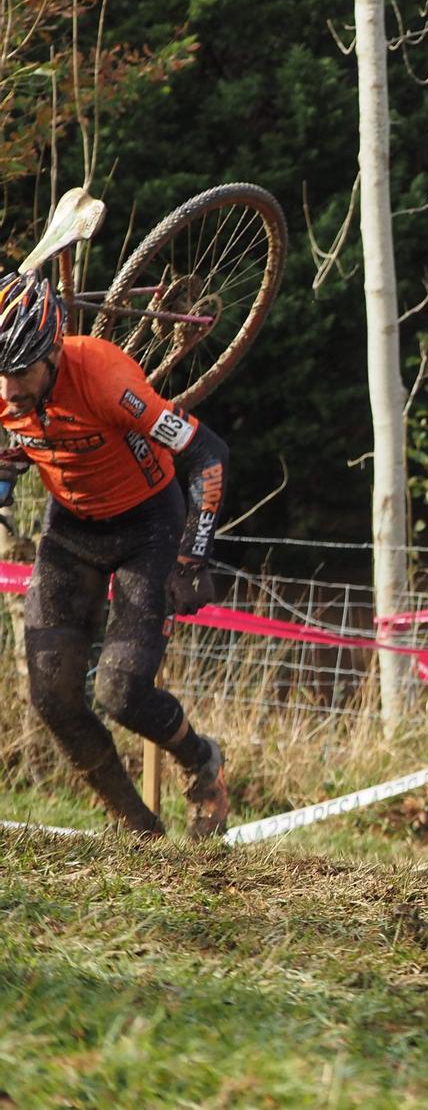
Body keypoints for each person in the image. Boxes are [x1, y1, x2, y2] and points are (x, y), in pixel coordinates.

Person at [0, 273, 231, 838]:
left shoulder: (106, 378)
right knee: (51, 694)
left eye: (23, 373)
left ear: (54, 352)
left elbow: (207, 452)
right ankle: (138, 830)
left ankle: (201, 762)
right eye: (2, 375)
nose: (10, 391)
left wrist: (192, 556)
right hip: (72, 528)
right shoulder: (10, 386)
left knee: (121, 693)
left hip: (147, 527)